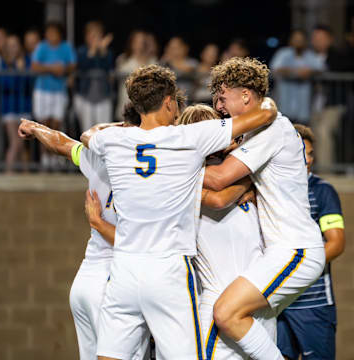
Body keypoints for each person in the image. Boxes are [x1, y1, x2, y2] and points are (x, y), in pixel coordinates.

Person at [80, 64, 277, 360]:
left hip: (124, 269)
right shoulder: (190, 138)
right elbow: (263, 116)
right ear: (169, 101)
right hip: (168, 270)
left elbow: (88, 134)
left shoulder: (113, 141)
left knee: (109, 356)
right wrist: (269, 104)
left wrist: (126, 130)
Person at [202, 57, 325, 360]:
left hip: (296, 250)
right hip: (283, 251)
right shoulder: (263, 128)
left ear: (245, 96)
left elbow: (218, 180)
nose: (218, 105)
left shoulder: (271, 129)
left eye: (222, 96)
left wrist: (164, 166)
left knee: (226, 312)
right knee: (241, 321)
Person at [17, 118, 149, 360]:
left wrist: (35, 128)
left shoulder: (96, 158)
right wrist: (98, 222)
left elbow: (61, 143)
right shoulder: (151, 172)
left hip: (85, 281)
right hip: (113, 284)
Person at [178, 104, 277, 360]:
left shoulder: (239, 168)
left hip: (249, 302)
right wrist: (249, 182)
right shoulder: (183, 177)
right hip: (227, 304)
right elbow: (220, 200)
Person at [277, 124, 345, 360]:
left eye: (311, 153)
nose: (307, 159)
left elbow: (336, 243)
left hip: (313, 304)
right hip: (277, 302)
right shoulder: (271, 189)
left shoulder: (322, 191)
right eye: (300, 152)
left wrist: (297, 270)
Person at [31, 21, 76, 170]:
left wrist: (63, 69)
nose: (51, 36)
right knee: (43, 126)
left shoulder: (66, 47)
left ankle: (56, 157)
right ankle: (45, 158)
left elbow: (72, 64)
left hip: (59, 91)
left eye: (54, 32)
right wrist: (52, 68)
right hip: (42, 91)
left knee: (56, 126)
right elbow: (34, 66)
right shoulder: (42, 46)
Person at [310, 24, 350, 168]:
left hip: (334, 103)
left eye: (320, 38)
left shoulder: (338, 56)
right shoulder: (309, 56)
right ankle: (313, 170)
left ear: (329, 39)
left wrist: (319, 74)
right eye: (315, 37)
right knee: (312, 135)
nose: (316, 41)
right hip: (314, 104)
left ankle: (327, 171)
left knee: (323, 132)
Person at [270, 29, 324, 124]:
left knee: (301, 132)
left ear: (305, 41)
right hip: (285, 101)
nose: (298, 42)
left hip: (303, 105)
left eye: (301, 39)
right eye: (296, 39)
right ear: (290, 40)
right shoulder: (283, 53)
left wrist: (310, 71)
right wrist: (294, 72)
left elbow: (321, 68)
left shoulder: (310, 55)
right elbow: (275, 68)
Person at [0, 34, 31, 173]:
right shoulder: (2, 63)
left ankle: (26, 174)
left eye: (15, 45)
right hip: (9, 108)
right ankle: (9, 172)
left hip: (23, 106)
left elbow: (28, 83)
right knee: (15, 142)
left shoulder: (26, 61)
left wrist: (21, 69)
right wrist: (17, 70)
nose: (13, 48)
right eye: (10, 45)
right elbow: (5, 84)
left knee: (22, 145)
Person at [75, 21, 114, 131]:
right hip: (85, 96)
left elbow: (108, 66)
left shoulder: (107, 52)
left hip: (103, 96)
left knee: (104, 130)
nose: (95, 38)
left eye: (97, 35)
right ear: (86, 36)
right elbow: (82, 66)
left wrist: (102, 51)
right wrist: (92, 51)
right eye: (92, 35)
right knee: (87, 130)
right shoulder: (81, 51)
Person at [115, 30, 157, 121]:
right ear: (131, 42)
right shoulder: (123, 59)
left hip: (147, 108)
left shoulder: (152, 61)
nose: (140, 44)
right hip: (126, 104)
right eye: (137, 41)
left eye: (143, 42)